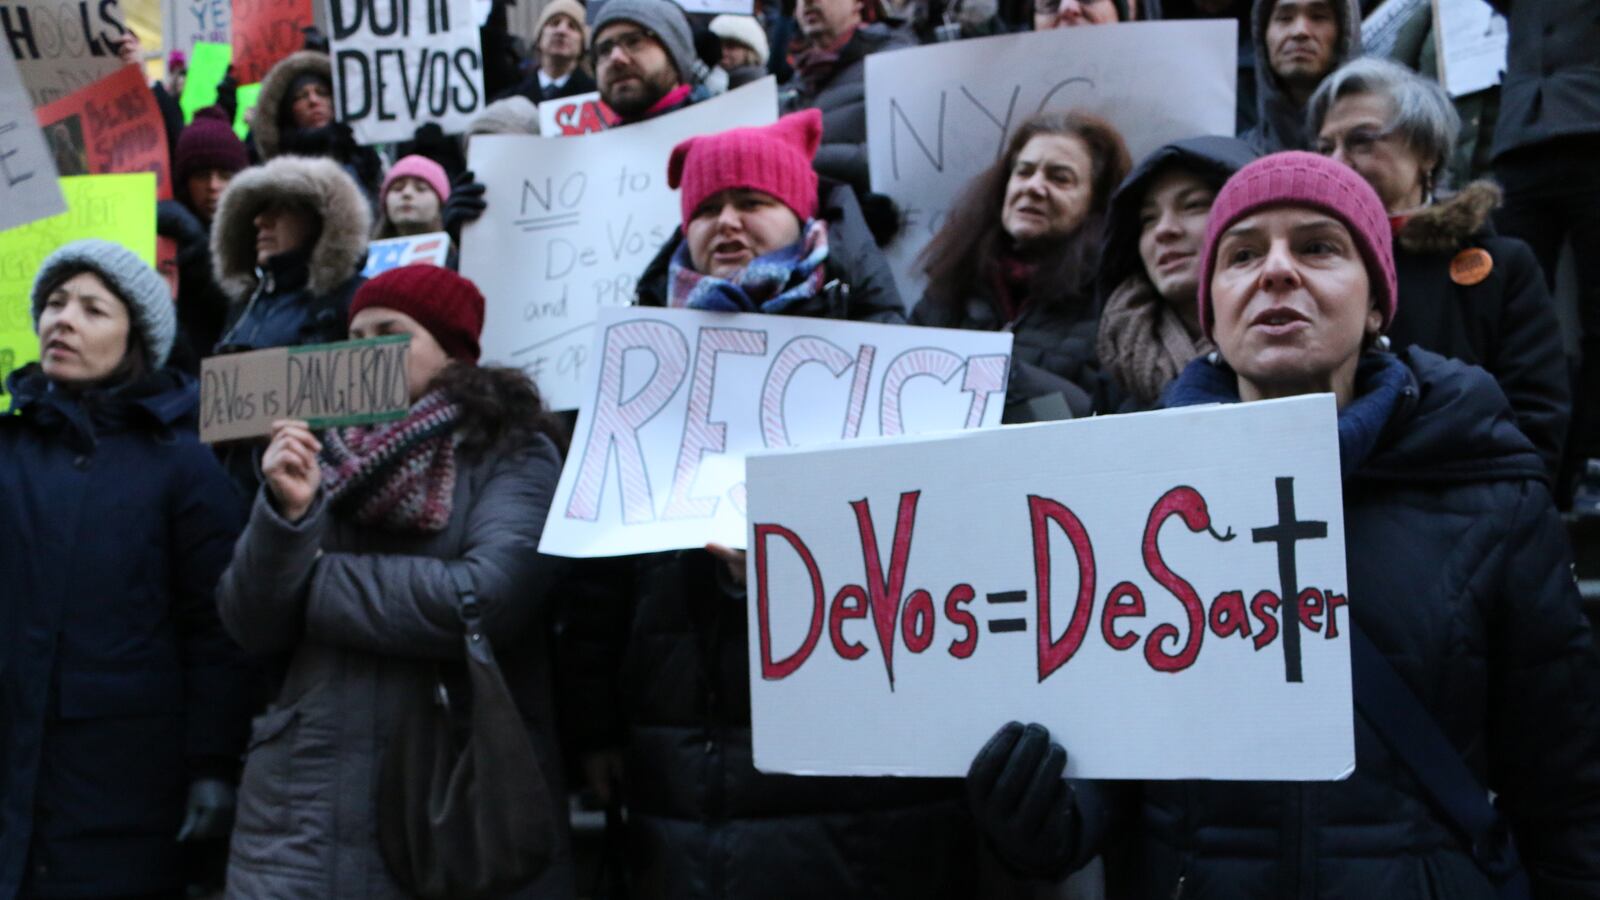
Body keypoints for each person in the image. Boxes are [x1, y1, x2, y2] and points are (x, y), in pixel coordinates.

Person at [965, 151, 1600, 898]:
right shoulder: (1127, 491)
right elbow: (1115, 760)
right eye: (1241, 255)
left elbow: (1567, 789)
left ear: (1376, 303)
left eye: (1318, 247)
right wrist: (1049, 816)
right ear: (1212, 311)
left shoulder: (1488, 490)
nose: (1275, 271)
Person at [566, 111, 978, 900]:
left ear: (802, 214)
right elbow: (596, 583)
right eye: (706, 208)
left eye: (751, 201)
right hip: (688, 766)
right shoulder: (638, 369)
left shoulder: (889, 352)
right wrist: (593, 729)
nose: (726, 221)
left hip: (861, 778)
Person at [215, 265, 575, 897]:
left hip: (450, 800)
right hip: (304, 811)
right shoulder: (312, 452)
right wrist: (286, 517)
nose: (366, 352)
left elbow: (483, 598)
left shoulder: (513, 450)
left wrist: (314, 579)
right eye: (354, 336)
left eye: (390, 333)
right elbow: (250, 622)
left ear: (452, 355)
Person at [0, 239, 252, 898]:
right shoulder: (8, 447)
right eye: (55, 304)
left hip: (121, 787)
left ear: (135, 338)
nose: (63, 320)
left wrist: (212, 763)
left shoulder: (183, 464)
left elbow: (216, 627)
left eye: (92, 309)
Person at [1309, 57, 1569, 481]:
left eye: (1361, 141)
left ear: (1426, 152)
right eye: (1325, 149)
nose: (1336, 163)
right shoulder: (1303, 271)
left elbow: (1536, 420)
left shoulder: (1504, 266)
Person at [912, 111, 1132, 420]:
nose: (1033, 187)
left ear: (1096, 203)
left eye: (1060, 178)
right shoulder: (952, 283)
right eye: (1024, 172)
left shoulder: (1113, 303)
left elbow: (1097, 415)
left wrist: (1000, 372)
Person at [1486, 0, 1600, 512]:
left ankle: (1591, 461)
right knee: (1513, 314)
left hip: (1590, 129)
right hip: (1521, 138)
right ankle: (1522, 460)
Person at [1096, 135, 1258, 408]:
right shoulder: (1114, 360)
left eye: (1193, 205)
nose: (1163, 230)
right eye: (1148, 219)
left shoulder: (1292, 346)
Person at [211, 155, 370, 354]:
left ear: (320, 220)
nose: (260, 221)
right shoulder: (245, 306)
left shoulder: (353, 298)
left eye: (281, 208)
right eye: (258, 210)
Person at [779, 0, 914, 194]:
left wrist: (792, 157)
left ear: (858, 3)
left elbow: (895, 161)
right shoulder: (800, 78)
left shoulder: (895, 60)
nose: (806, 2)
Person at [160, 105, 253, 372]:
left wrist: (199, 249)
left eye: (224, 175)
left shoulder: (259, 234)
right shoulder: (165, 233)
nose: (213, 186)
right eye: (202, 176)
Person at [248, 49, 384, 202]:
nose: (313, 100)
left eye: (322, 93)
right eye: (301, 96)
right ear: (288, 111)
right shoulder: (272, 172)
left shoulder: (363, 159)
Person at [1241, 0, 1359, 153]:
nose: (1300, 31)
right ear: (1262, 35)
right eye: (1285, 18)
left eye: (1318, 17)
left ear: (1345, 33)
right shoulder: (1240, 157)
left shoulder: (1375, 153)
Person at [592, 0, 709, 125]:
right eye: (604, 50)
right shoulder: (599, 137)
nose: (616, 57)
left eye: (633, 41)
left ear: (674, 53)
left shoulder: (716, 126)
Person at [509, 0, 597, 103]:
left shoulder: (597, 98)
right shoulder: (511, 100)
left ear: (582, 44)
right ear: (539, 38)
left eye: (572, 26)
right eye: (554, 23)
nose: (561, 31)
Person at [373, 154, 451, 239]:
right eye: (397, 188)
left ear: (440, 204)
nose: (407, 193)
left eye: (421, 188)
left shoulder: (461, 246)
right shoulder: (365, 247)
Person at [710, 14, 771, 88]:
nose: (722, 52)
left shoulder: (760, 89)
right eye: (717, 45)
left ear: (750, 52)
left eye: (731, 46)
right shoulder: (707, 84)